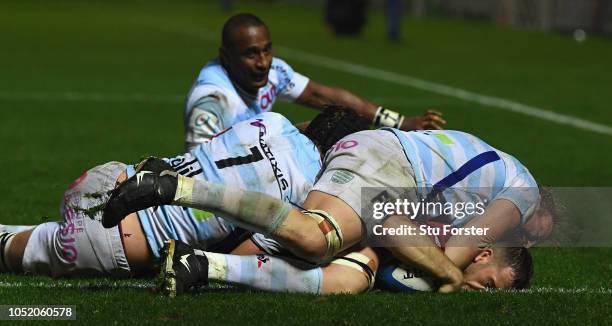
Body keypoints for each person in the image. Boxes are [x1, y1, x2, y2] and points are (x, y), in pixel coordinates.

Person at [102, 128, 552, 293]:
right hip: (388, 163)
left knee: (349, 275)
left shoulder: (485, 187)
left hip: (389, 165)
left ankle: (198, 264)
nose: (529, 239)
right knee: (318, 239)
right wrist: (453, 279)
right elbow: (452, 253)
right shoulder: (523, 192)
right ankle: (170, 186)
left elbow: (399, 226)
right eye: (537, 233)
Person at [0, 108, 368, 278]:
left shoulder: (273, 121)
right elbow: (246, 255)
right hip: (115, 238)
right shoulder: (308, 193)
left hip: (110, 177)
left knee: (35, 236)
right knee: (12, 253)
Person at [183, 13, 445, 150]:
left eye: (267, 50)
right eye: (251, 54)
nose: (263, 62)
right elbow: (202, 170)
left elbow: (322, 96)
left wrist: (400, 122)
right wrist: (289, 137)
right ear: (226, 57)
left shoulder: (273, 71)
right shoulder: (211, 102)